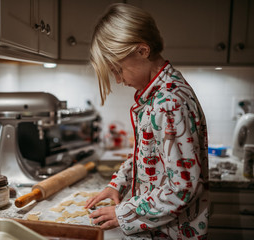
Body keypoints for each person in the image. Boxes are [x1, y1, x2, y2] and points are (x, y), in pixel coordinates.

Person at [85, 3, 209, 239]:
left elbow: (182, 188)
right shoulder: (158, 95)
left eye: (117, 70)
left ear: (142, 51)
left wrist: (124, 214)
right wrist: (117, 184)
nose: (119, 80)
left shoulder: (169, 103)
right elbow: (148, 155)